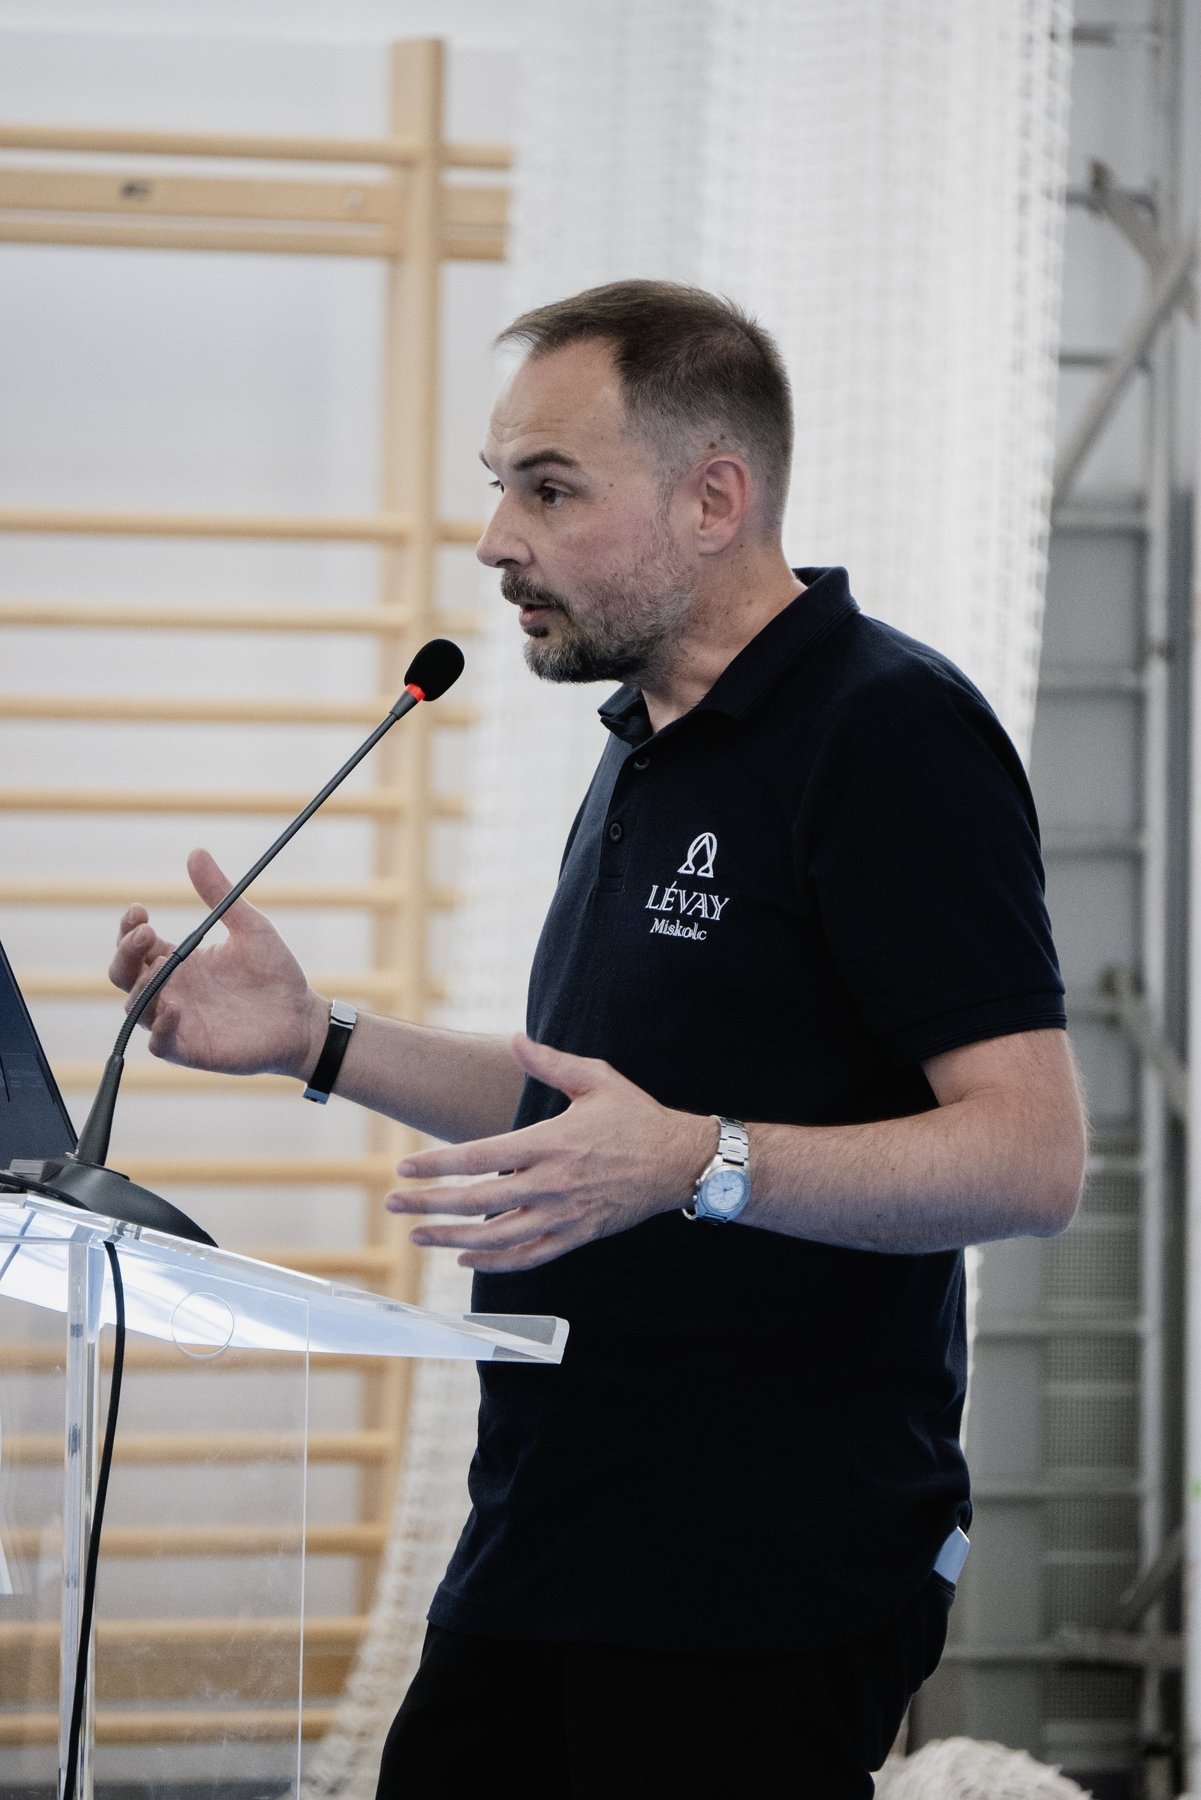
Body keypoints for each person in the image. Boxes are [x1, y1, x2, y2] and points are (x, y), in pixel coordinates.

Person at [109, 281, 1087, 1798]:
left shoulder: (884, 730)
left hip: (758, 1575)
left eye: (548, 490)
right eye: (499, 487)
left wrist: (698, 1162)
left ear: (714, 500)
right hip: (547, 1531)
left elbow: (1030, 1158)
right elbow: (583, 1119)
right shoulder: (648, 741)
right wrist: (316, 1040)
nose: (496, 540)